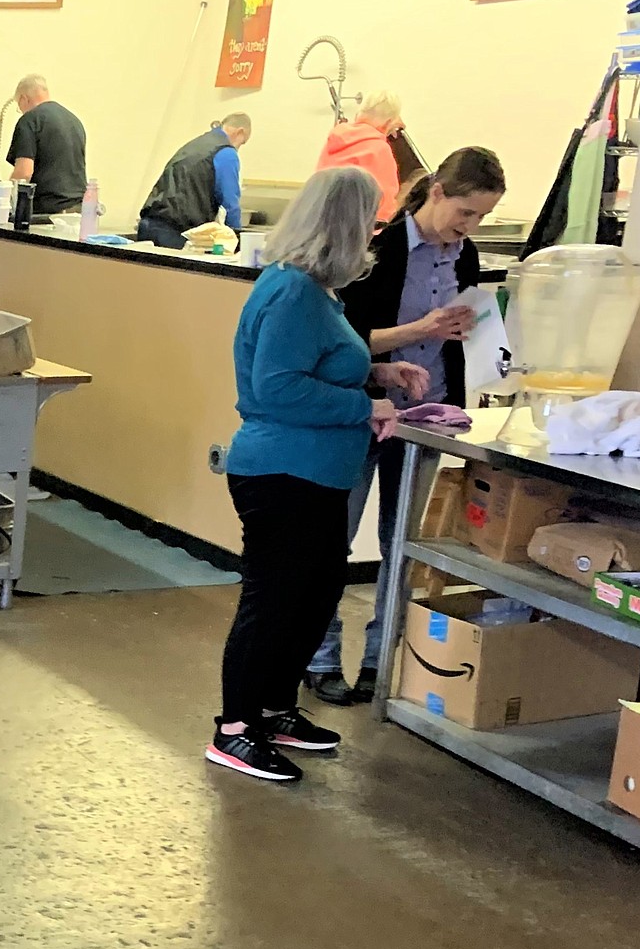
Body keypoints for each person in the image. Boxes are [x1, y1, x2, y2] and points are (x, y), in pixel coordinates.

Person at [205, 168, 428, 784]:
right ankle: (235, 729)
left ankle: (275, 709)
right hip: (282, 472)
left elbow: (318, 366)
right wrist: (367, 407)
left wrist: (382, 376)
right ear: (347, 224)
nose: (377, 232)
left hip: (319, 474)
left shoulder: (318, 292)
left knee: (316, 593)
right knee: (274, 601)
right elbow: (278, 389)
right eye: (372, 220)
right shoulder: (294, 292)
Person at [304, 146, 507, 706]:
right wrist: (423, 326)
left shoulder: (464, 257)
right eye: (465, 213)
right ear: (437, 192)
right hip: (364, 409)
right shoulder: (379, 251)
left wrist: (478, 339)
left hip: (428, 413)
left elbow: (462, 337)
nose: (469, 228)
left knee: (402, 542)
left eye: (482, 218)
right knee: (333, 540)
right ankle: (319, 656)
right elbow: (347, 339)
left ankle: (379, 658)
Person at [138, 113, 251, 249]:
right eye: (242, 142)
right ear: (240, 132)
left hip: (150, 223)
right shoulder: (226, 152)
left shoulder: (195, 145)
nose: (238, 148)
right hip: (178, 231)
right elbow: (230, 203)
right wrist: (236, 240)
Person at [315, 91, 405, 224]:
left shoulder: (335, 137)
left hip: (321, 219)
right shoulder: (379, 148)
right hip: (357, 228)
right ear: (389, 122)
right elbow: (384, 203)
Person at [6, 74, 87, 214]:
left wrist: (3, 198)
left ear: (23, 99)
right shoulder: (75, 121)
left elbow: (24, 173)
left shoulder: (30, 120)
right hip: (79, 210)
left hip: (47, 211)